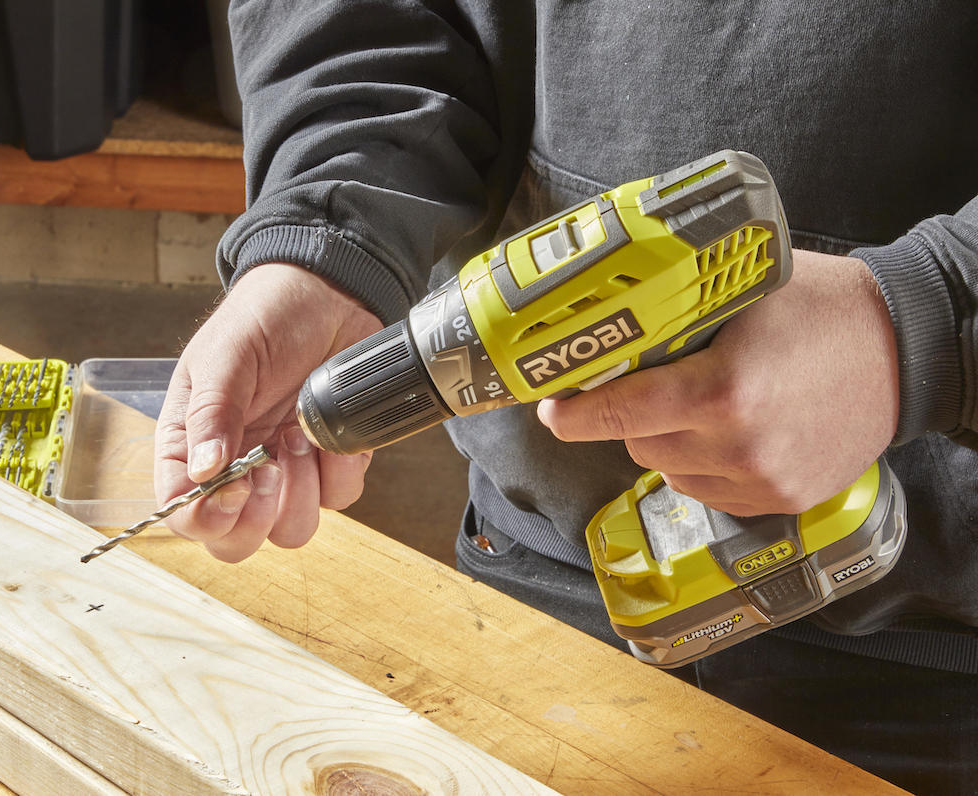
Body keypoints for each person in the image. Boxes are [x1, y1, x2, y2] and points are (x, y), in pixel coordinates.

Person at [152, 2, 978, 792]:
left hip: (937, 666)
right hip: (539, 573)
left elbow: (926, 318)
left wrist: (920, 326)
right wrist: (328, 240)